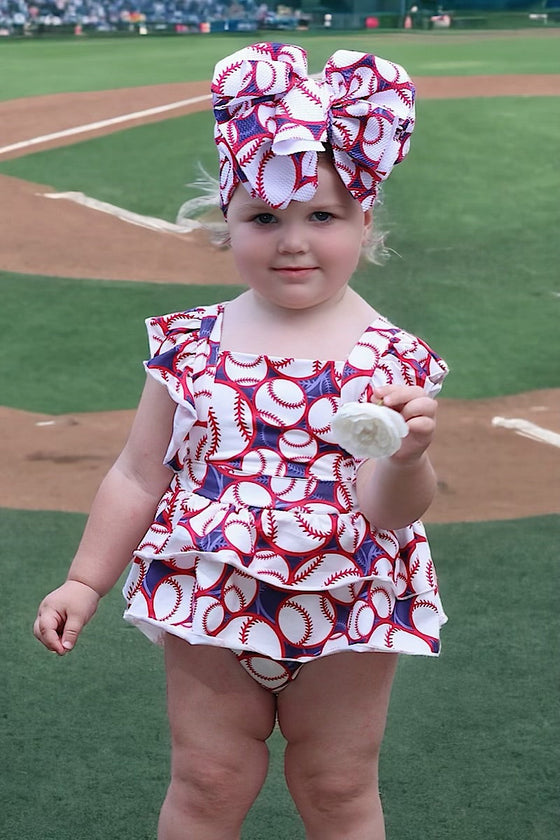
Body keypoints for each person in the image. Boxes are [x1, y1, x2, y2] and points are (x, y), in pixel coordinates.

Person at [34, 42, 449, 840]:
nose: (293, 240)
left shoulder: (392, 358)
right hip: (210, 593)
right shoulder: (191, 344)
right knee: (207, 778)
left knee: (335, 785)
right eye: (264, 216)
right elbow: (136, 470)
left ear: (367, 221)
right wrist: (85, 581)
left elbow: (391, 510)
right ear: (227, 221)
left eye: (322, 215)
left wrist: (410, 455)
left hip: (348, 599)